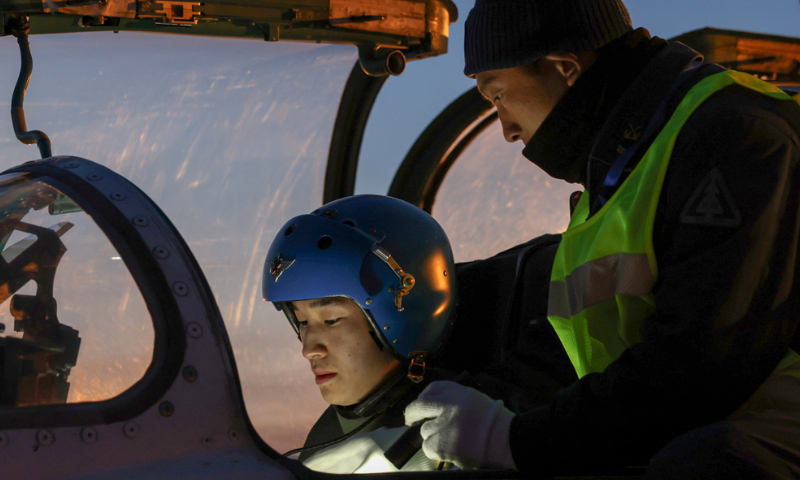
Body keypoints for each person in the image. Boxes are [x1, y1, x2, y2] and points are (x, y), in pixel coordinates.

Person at [404, 0, 800, 477]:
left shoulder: (737, 136)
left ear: (565, 68)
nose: (506, 129)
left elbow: (700, 365)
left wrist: (514, 441)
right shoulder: (613, 185)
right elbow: (575, 357)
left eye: (498, 96)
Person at [262, 194, 463, 473]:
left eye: (331, 320)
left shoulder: (463, 444)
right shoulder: (324, 444)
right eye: (302, 321)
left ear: (405, 314)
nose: (309, 350)